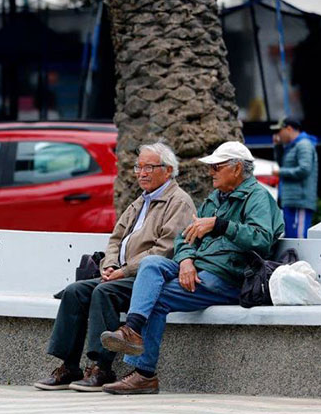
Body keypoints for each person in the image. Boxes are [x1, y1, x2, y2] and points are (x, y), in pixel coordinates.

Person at [99, 141, 284, 395]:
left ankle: (144, 374)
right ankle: (131, 330)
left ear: (237, 168)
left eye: (216, 167)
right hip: (199, 268)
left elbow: (262, 240)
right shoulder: (215, 199)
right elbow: (183, 238)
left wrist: (220, 225)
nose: (210, 172)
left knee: (157, 298)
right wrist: (186, 260)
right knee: (151, 264)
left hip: (228, 276)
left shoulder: (258, 197)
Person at [34, 141, 196, 392]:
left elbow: (165, 249)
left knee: (104, 292)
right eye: (138, 167)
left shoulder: (179, 202)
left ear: (167, 170)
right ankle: (69, 366)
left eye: (149, 167)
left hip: (147, 278)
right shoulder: (140, 201)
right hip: (121, 273)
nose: (141, 173)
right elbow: (115, 239)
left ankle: (101, 368)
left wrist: (124, 270)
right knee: (75, 291)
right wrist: (109, 266)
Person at [271, 117, 318, 238]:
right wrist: (278, 146)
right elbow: (283, 164)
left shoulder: (304, 145)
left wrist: (280, 172)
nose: (278, 135)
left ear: (289, 129)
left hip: (300, 201)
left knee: (299, 239)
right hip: (291, 200)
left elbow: (304, 169)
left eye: (279, 131)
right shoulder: (292, 146)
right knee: (291, 238)